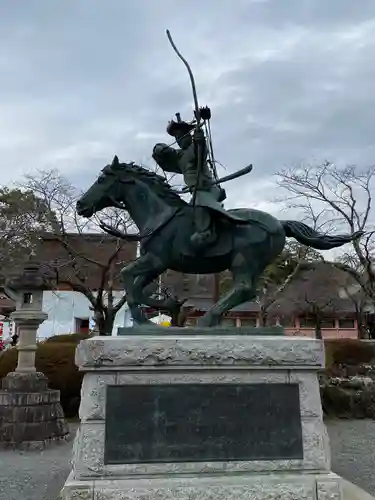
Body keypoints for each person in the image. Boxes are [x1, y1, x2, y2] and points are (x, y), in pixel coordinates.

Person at [152, 111, 226, 251]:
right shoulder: (180, 156)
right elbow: (167, 159)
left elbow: (201, 150)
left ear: (189, 135)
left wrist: (199, 134)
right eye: (177, 138)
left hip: (207, 189)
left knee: (199, 206)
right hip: (195, 191)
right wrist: (158, 150)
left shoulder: (195, 148)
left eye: (181, 136)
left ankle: (205, 233)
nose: (179, 140)